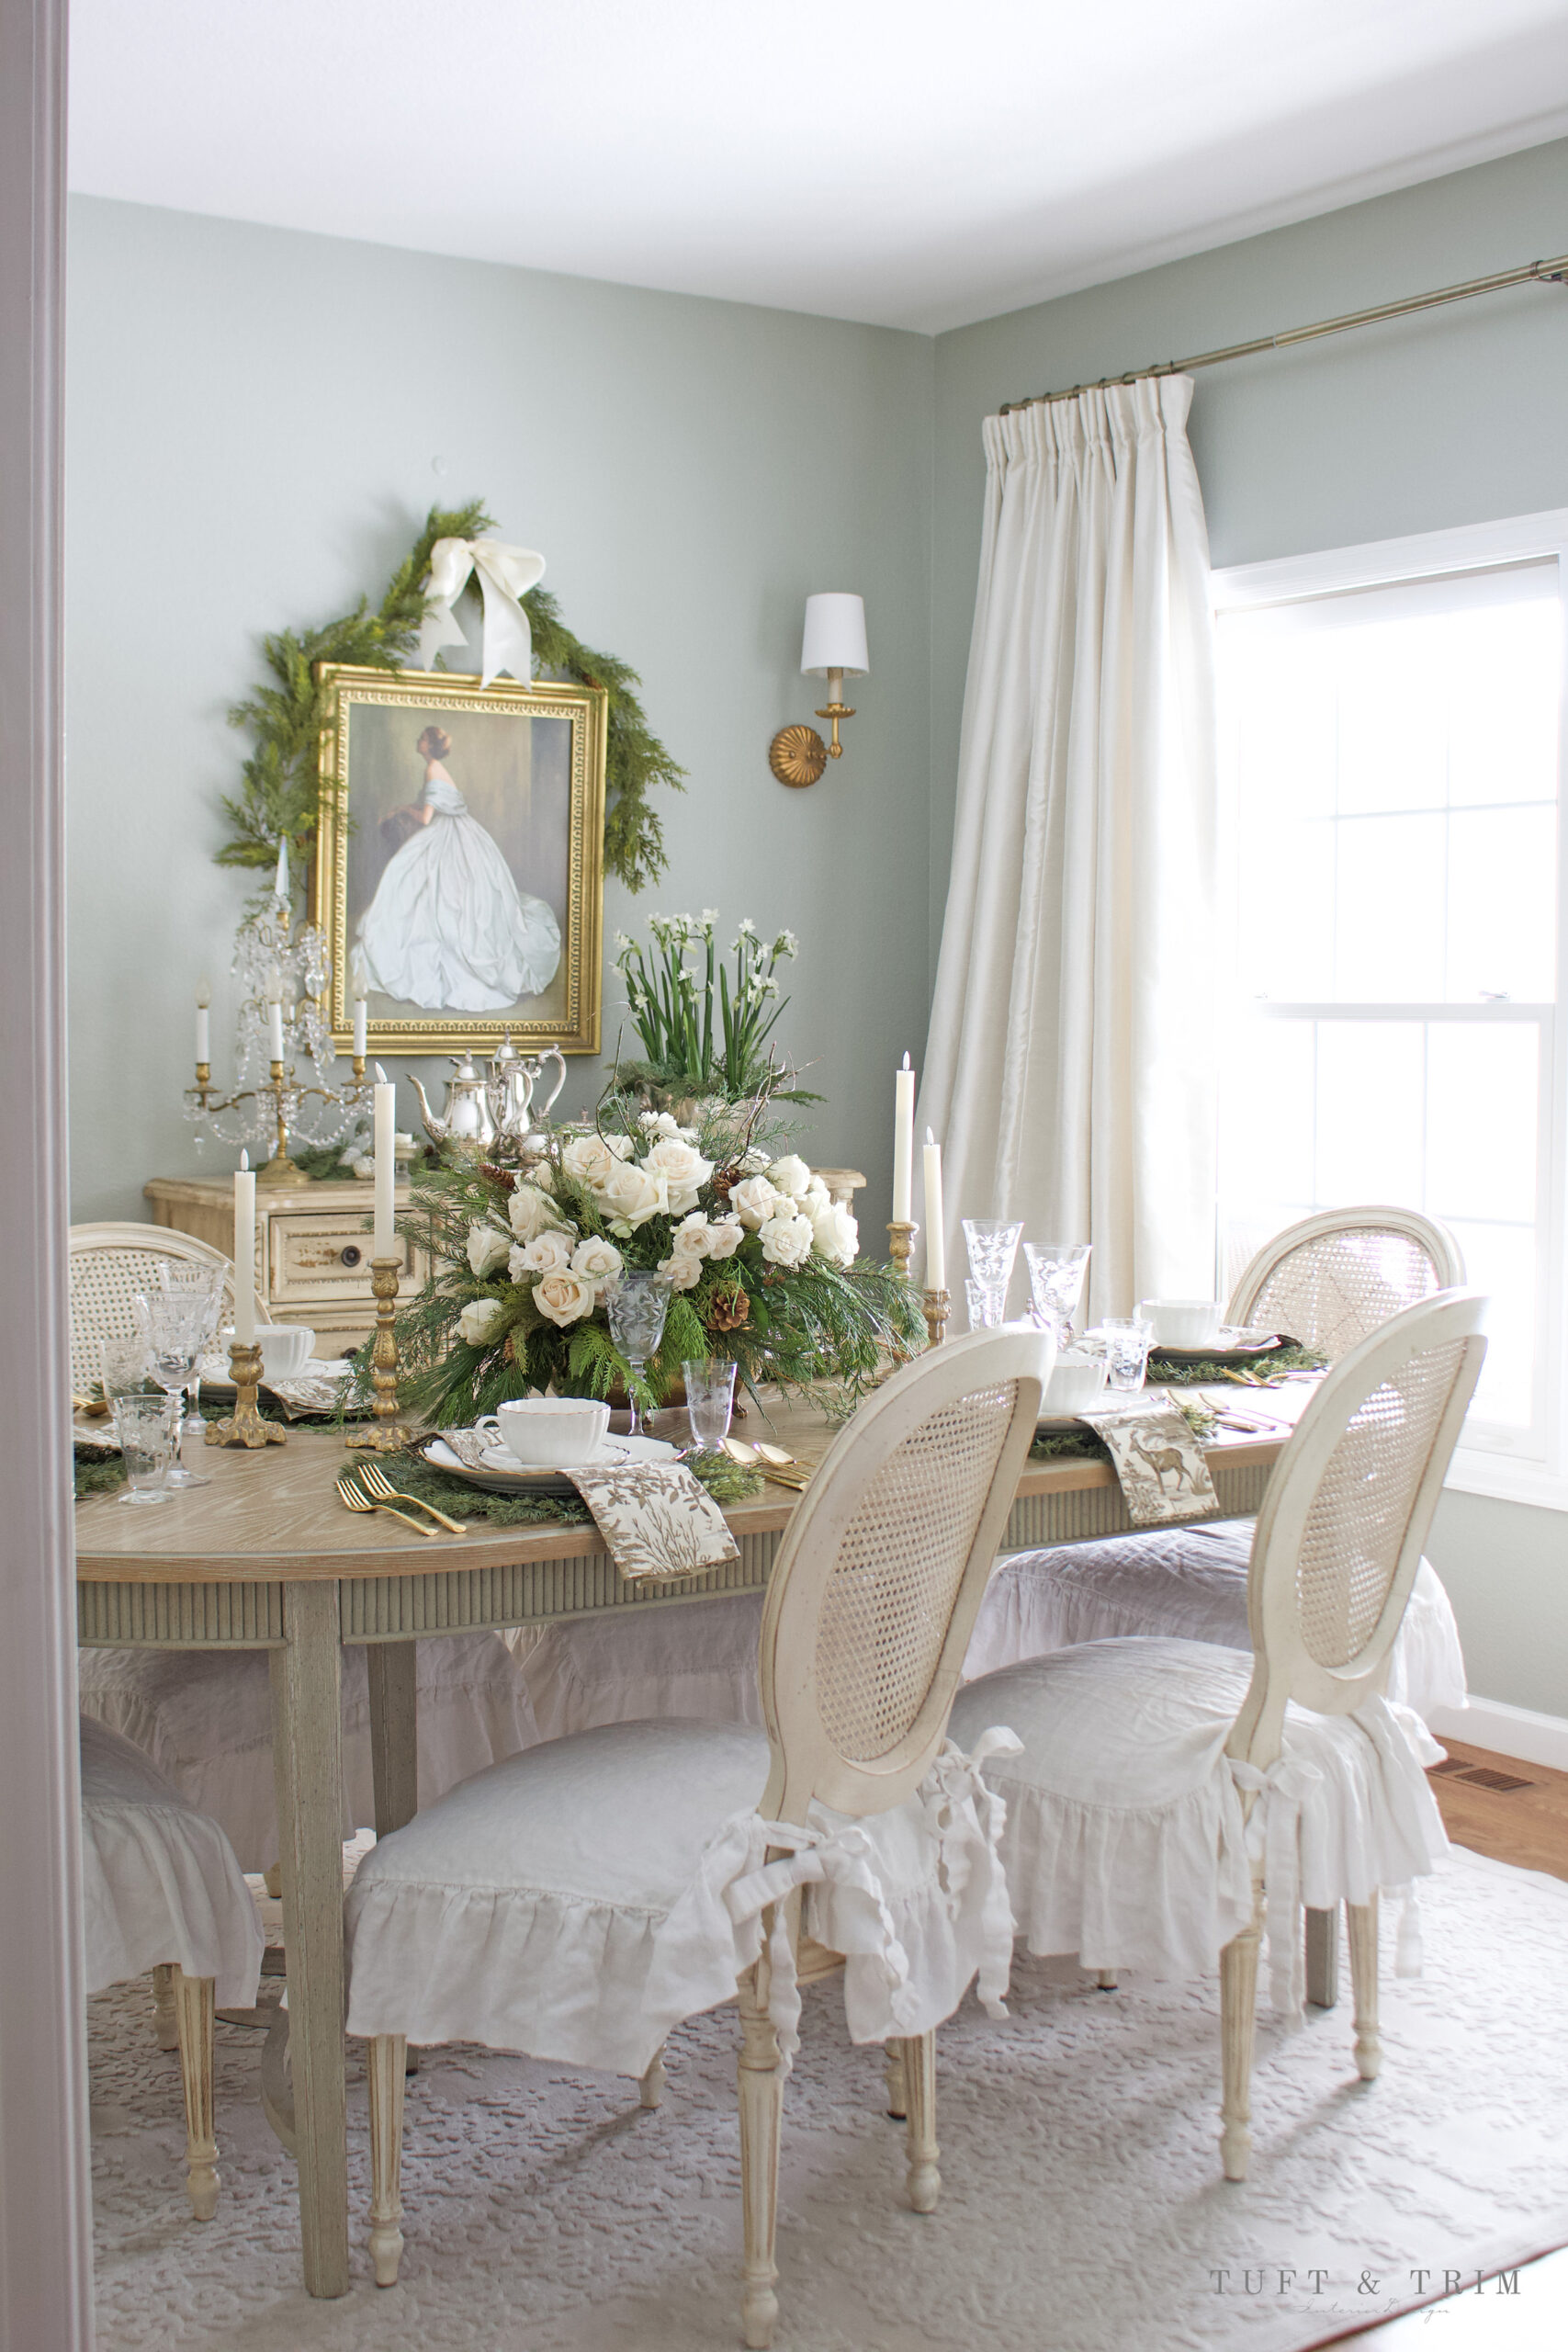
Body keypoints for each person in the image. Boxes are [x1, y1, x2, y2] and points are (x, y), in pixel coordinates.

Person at [355, 725, 560, 1012]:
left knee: (432, 889)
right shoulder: (435, 769)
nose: (418, 741)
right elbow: (429, 804)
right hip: (459, 830)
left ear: (429, 745)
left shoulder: (433, 769)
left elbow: (427, 818)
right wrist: (402, 807)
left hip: (448, 833)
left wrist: (402, 811)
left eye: (422, 738)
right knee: (433, 890)